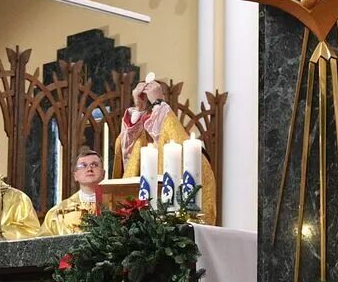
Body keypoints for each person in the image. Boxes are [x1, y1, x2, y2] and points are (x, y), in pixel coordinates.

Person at [116, 76, 216, 219]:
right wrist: (138, 109)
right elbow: (127, 159)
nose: (150, 118)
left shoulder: (188, 151)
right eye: (148, 113)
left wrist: (158, 103)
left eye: (155, 113)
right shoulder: (141, 144)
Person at [42, 148, 107, 235]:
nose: (89, 169)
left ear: (103, 174)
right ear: (75, 175)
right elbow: (43, 243)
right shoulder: (59, 212)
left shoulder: (114, 206)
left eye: (94, 165)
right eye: (83, 166)